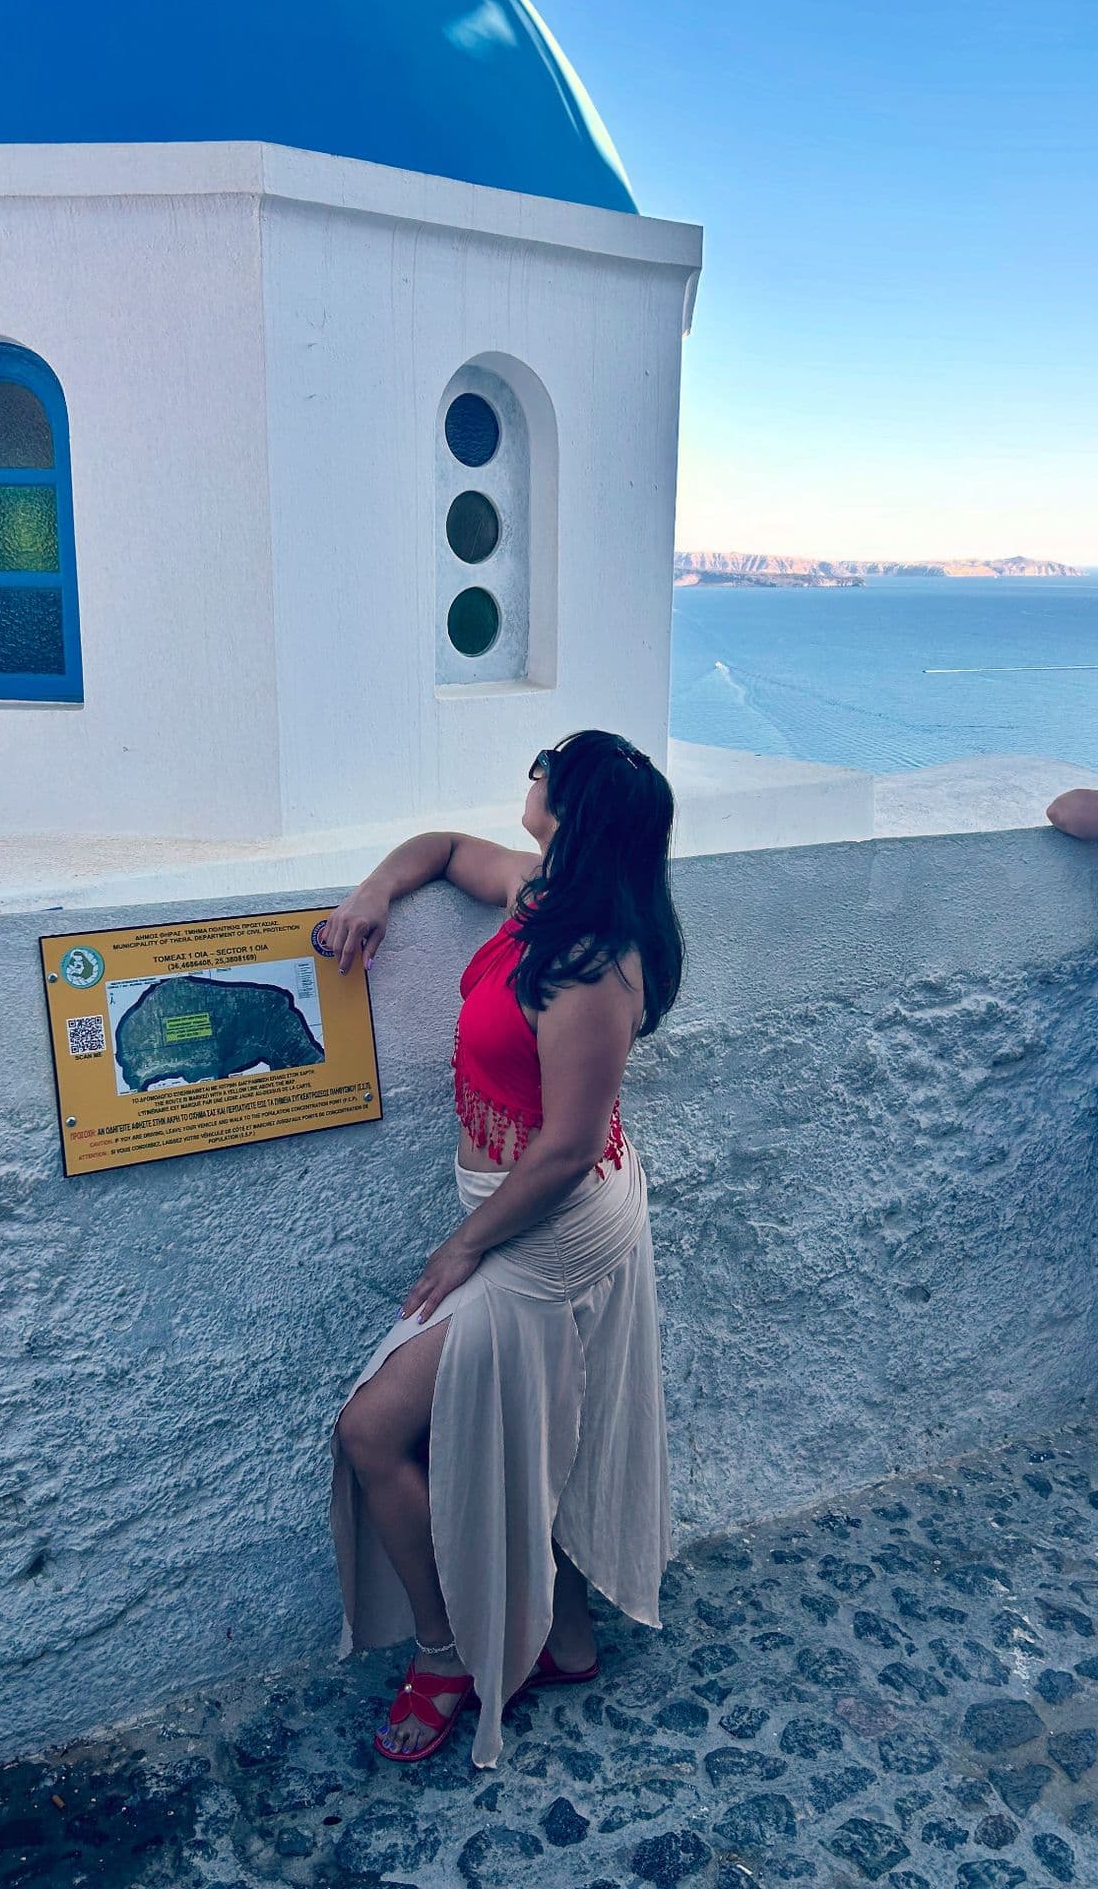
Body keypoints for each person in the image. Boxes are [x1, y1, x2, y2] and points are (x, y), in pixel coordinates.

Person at [316, 729, 684, 1767]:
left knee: (373, 1429)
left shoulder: (594, 960)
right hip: (523, 1210)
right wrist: (372, 894)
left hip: (545, 1229)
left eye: (546, 762)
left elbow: (565, 1146)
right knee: (533, 1423)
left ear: (566, 804)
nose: (531, 770)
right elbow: (436, 847)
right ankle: (562, 1640)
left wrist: (461, 1248)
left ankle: (444, 1655)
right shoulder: (537, 890)